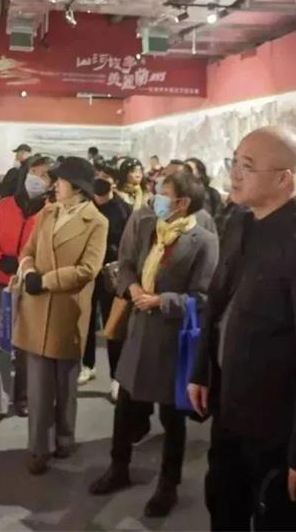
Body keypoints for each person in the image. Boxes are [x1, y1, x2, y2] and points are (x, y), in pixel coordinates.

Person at [187, 126, 296, 531]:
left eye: (247, 167)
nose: (234, 174)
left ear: (284, 178)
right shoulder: (242, 221)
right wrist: (202, 370)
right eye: (234, 162)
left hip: (278, 423)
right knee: (223, 505)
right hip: (231, 404)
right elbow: (218, 302)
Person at [90, 172, 218, 518]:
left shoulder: (204, 241)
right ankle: (118, 467)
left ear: (183, 203)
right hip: (138, 332)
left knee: (172, 417)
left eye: (164, 194)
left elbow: (203, 297)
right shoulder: (149, 226)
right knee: (125, 404)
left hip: (170, 339)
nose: (156, 199)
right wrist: (132, 289)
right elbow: (126, 265)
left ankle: (168, 485)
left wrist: (163, 301)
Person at [15, 157, 108, 476]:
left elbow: (88, 269)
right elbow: (27, 250)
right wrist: (29, 272)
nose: (54, 185)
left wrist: (46, 281)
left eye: (61, 181)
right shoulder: (48, 212)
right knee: (39, 386)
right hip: (36, 305)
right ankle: (38, 447)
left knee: (66, 383)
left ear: (78, 188)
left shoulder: (97, 221)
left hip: (67, 309)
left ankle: (65, 437)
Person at [0, 156, 53, 430]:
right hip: (1, 284)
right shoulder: (4, 206)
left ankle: (23, 398)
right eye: (34, 172)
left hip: (32, 287)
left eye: (44, 175)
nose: (37, 178)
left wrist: (27, 267)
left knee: (27, 345)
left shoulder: (50, 213)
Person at [79, 165, 132, 396]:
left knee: (113, 325)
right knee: (86, 320)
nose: (100, 181)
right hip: (87, 272)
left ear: (114, 183)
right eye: (97, 177)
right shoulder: (86, 205)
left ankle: (116, 377)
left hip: (112, 275)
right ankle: (87, 365)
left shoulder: (123, 210)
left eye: (105, 178)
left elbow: (129, 244)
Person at [160, 161, 218, 235]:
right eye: (165, 174)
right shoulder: (153, 221)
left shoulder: (202, 220)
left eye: (175, 174)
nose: (168, 178)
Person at [185, 157, 225, 221]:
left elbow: (219, 217)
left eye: (189, 169)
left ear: (199, 174)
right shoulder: (179, 192)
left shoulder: (212, 193)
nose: (185, 173)